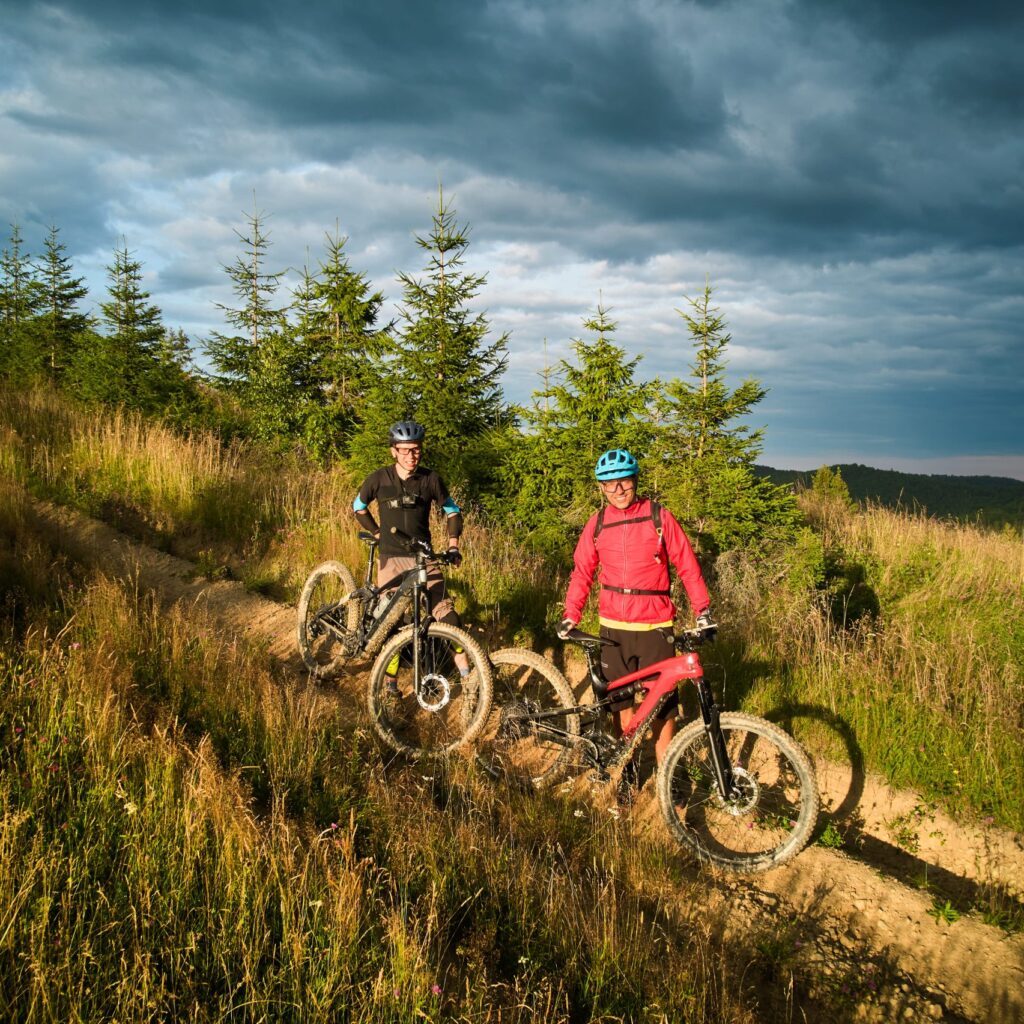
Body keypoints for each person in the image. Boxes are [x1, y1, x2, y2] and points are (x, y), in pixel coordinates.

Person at [558, 448, 714, 781]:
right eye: (609, 484)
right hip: (612, 629)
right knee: (621, 705)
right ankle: (627, 774)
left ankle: (668, 777)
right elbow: (582, 571)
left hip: (655, 626)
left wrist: (703, 610)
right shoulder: (597, 524)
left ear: (635, 480)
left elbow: (687, 565)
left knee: (664, 709)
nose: (618, 490)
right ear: (601, 488)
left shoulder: (659, 517)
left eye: (623, 481)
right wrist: (572, 612)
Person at [352, 419, 465, 631]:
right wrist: (376, 532)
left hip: (423, 558)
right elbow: (358, 507)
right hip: (391, 559)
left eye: (415, 450)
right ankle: (387, 663)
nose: (411, 456)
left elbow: (453, 512)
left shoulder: (431, 479)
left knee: (450, 619)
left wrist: (453, 546)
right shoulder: (379, 479)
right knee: (389, 624)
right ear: (393, 451)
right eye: (404, 451)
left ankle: (466, 665)